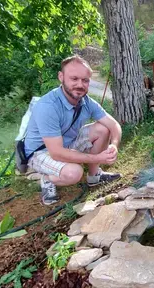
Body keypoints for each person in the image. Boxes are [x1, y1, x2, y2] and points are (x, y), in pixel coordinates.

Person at [24, 55, 122, 205]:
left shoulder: (86, 101)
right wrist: (97, 158)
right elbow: (56, 152)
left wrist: (114, 145)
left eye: (85, 80)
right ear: (61, 77)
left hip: (66, 143)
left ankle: (94, 176)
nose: (80, 85)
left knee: (103, 129)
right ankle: (46, 179)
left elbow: (114, 125)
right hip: (41, 152)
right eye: (74, 79)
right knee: (74, 172)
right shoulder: (48, 106)